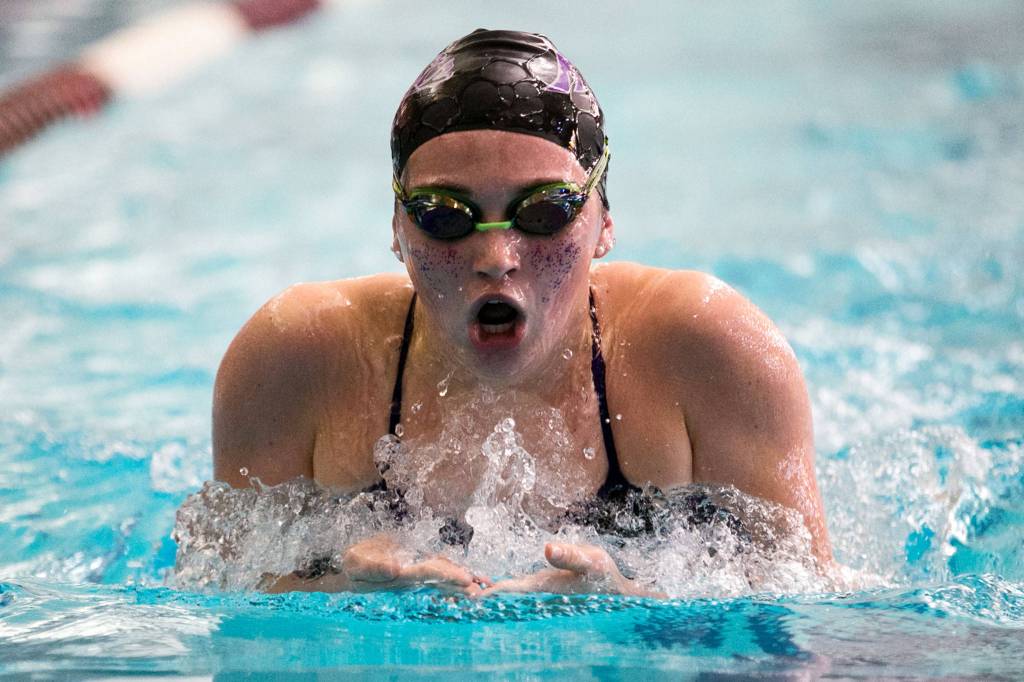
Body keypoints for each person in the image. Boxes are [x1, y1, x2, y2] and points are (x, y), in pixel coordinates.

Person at [211, 29, 832, 597]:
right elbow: (219, 600)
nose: (496, 257)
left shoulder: (711, 350)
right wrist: (339, 599)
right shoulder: (295, 356)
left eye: (545, 212)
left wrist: (637, 609)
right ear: (398, 230)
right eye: (444, 216)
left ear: (604, 223)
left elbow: (810, 624)